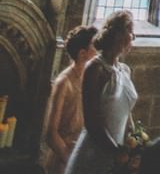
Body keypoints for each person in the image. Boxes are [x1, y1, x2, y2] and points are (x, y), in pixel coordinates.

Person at [65, 9, 138, 174]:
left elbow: (126, 112)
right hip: (95, 151)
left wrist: (135, 138)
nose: (133, 39)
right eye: (131, 33)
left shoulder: (124, 70)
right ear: (120, 35)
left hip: (118, 150)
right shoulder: (95, 69)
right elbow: (92, 120)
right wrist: (114, 151)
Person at [44, 25, 98, 174]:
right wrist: (71, 162)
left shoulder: (89, 78)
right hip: (63, 162)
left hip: (81, 157)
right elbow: (51, 133)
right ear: (82, 53)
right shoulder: (64, 83)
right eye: (95, 49)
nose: (99, 54)